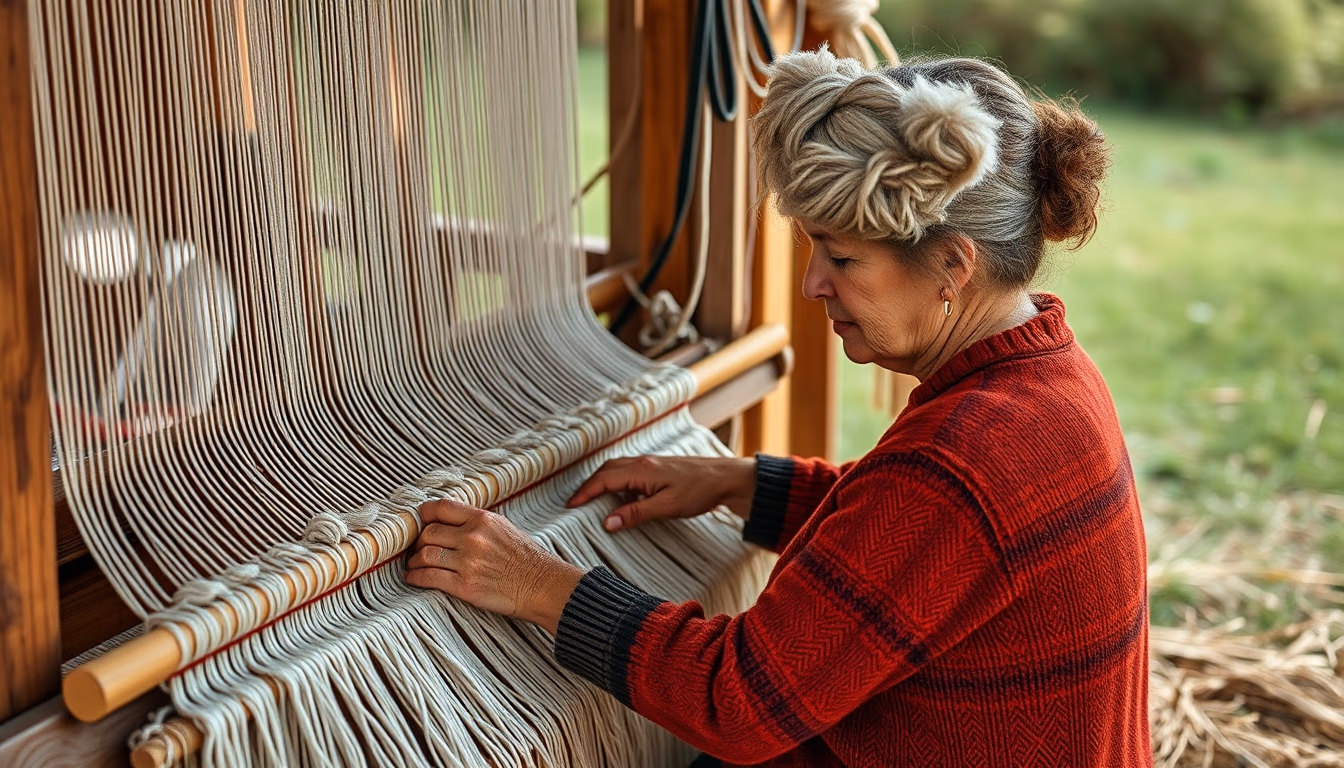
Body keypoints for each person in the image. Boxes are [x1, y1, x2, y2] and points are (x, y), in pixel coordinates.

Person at [405, 46, 1150, 767]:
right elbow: (924, 553)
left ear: (954, 264)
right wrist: (741, 485)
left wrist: (537, 584)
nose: (812, 284)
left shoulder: (958, 464)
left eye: (842, 257)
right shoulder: (1050, 376)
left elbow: (738, 704)